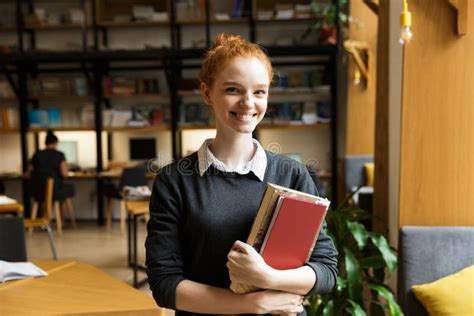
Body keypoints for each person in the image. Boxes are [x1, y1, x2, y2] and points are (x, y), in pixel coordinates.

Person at [145, 34, 338, 315]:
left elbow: (326, 269)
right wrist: (250, 304)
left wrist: (268, 278)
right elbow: (164, 284)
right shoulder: (174, 181)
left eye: (259, 92)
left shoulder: (292, 174)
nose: (248, 103)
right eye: (234, 89)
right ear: (207, 93)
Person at [29, 129, 75, 209]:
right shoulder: (59, 155)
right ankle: (61, 219)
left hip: (38, 191)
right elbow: (64, 174)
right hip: (54, 191)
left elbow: (30, 171)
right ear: (56, 143)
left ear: (45, 143)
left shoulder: (37, 154)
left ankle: (42, 216)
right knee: (68, 188)